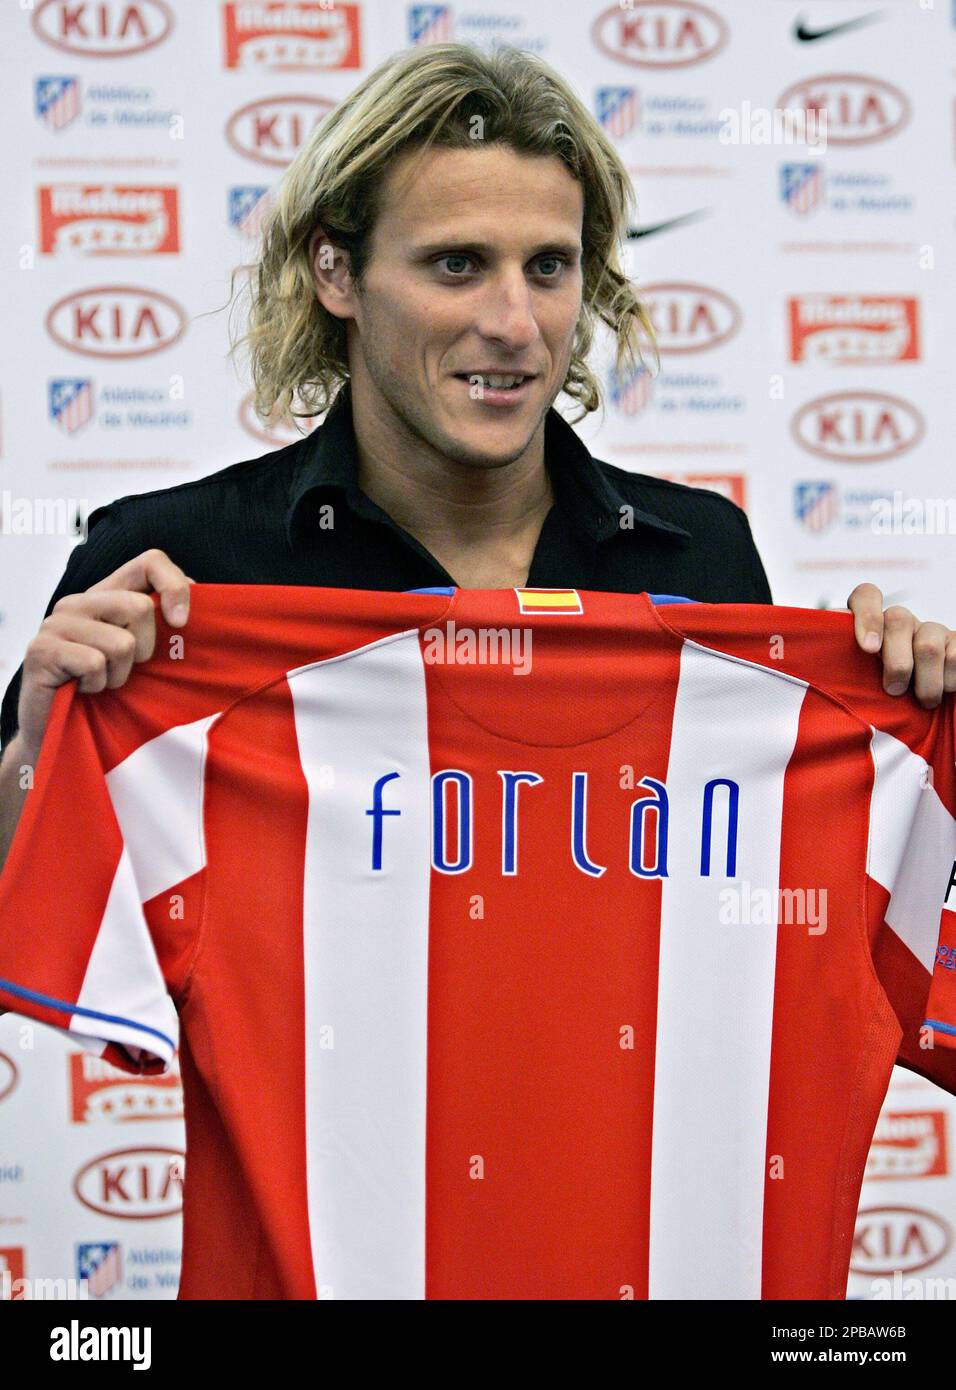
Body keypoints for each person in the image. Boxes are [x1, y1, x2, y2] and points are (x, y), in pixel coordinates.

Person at [0, 42, 953, 870]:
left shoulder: (698, 556)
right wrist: (42, 756)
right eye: (457, 265)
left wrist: (913, 731)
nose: (514, 324)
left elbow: (790, 898)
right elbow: (35, 917)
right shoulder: (177, 569)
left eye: (549, 267)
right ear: (337, 272)